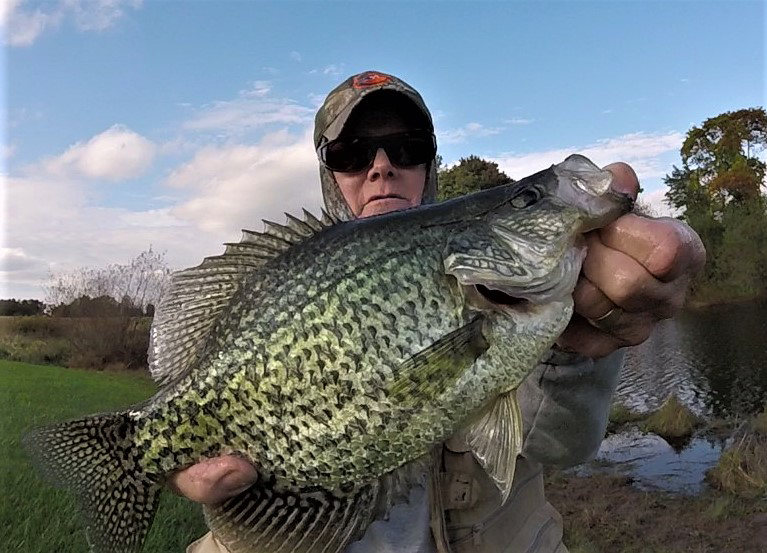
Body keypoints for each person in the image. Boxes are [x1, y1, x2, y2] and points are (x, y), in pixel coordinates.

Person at [177, 71, 706, 553]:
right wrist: (247, 529)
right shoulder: (285, 284)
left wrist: (579, 336)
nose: (381, 167)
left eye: (406, 149)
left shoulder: (508, 291)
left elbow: (560, 440)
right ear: (327, 172)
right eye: (351, 154)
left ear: (431, 165)